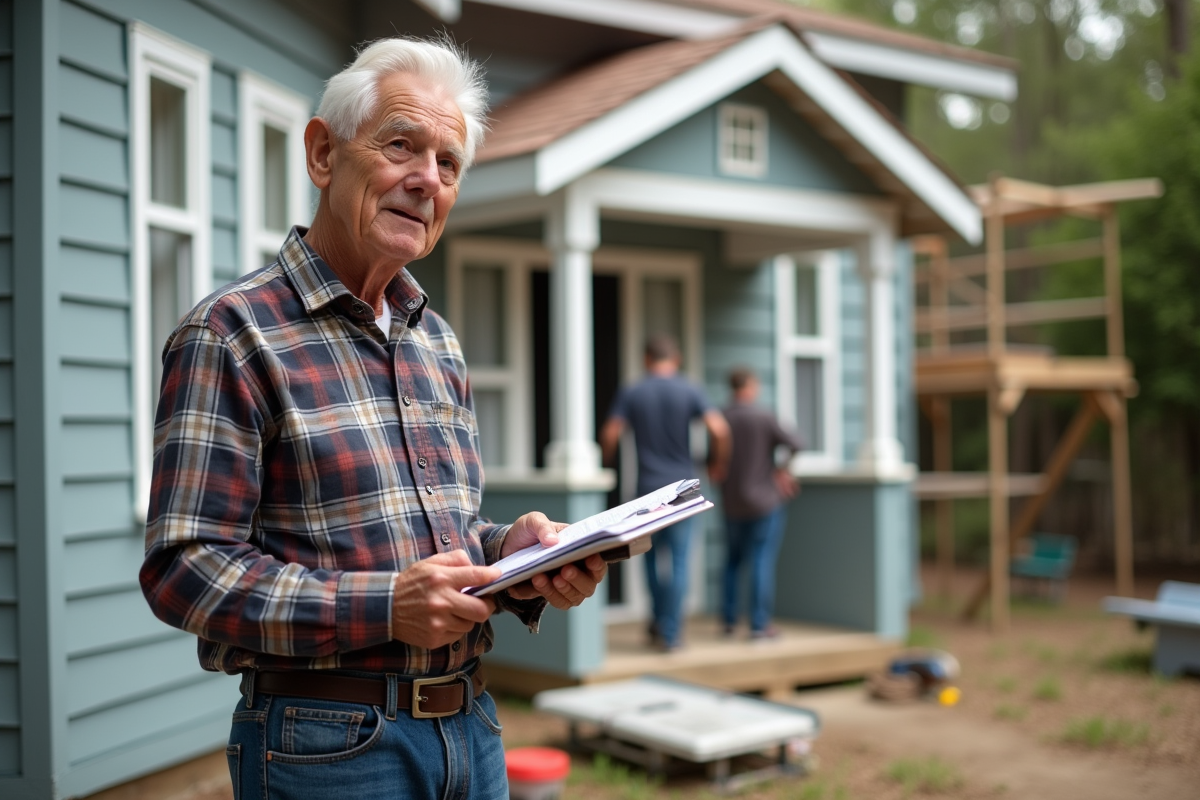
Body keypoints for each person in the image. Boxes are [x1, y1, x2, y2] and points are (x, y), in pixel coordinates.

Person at [139, 38, 606, 800]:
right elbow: (183, 569)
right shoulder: (232, 334)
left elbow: (438, 540)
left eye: (448, 163)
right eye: (401, 146)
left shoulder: (437, 341)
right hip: (329, 747)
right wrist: (385, 606)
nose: (426, 180)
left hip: (473, 729)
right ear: (324, 155)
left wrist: (513, 558)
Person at [599, 334, 729, 651]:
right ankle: (672, 633)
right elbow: (719, 429)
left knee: (651, 559)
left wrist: (607, 464)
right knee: (681, 561)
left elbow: (611, 432)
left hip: (647, 490)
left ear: (647, 359)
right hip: (683, 488)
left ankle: (658, 621)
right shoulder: (690, 388)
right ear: (677, 358)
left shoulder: (634, 390)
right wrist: (716, 463)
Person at [719, 366, 803, 640]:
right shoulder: (763, 416)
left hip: (731, 502)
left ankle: (729, 621)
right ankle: (759, 625)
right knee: (760, 561)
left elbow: (713, 460)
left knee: (732, 561)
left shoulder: (721, 418)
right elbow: (796, 443)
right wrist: (782, 469)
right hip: (764, 502)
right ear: (751, 386)